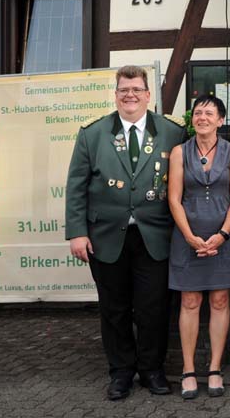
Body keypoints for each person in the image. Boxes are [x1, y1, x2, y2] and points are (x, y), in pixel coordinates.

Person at [65, 65, 187, 400]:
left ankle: (152, 370)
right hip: (106, 236)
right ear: (116, 95)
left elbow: (183, 185)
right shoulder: (92, 133)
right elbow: (76, 186)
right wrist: (77, 232)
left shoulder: (172, 132)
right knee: (114, 308)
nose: (130, 95)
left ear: (148, 96)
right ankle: (121, 372)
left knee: (154, 308)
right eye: (123, 90)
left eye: (136, 89)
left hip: (155, 237)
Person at [167, 94, 230, 400]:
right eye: (198, 113)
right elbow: (174, 197)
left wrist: (223, 234)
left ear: (221, 120)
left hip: (222, 237)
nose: (202, 117)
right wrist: (188, 235)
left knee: (220, 300)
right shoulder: (178, 152)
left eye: (209, 113)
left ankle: (214, 368)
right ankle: (188, 370)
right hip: (188, 236)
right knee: (189, 301)